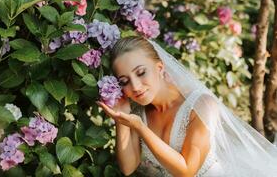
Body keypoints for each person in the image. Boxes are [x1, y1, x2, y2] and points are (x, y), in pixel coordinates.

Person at [96, 36, 277, 177]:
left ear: (159, 68)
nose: (135, 87)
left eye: (141, 72)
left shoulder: (201, 105)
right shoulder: (137, 114)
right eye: (124, 81)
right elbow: (128, 168)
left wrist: (139, 127)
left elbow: (186, 171)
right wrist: (121, 120)